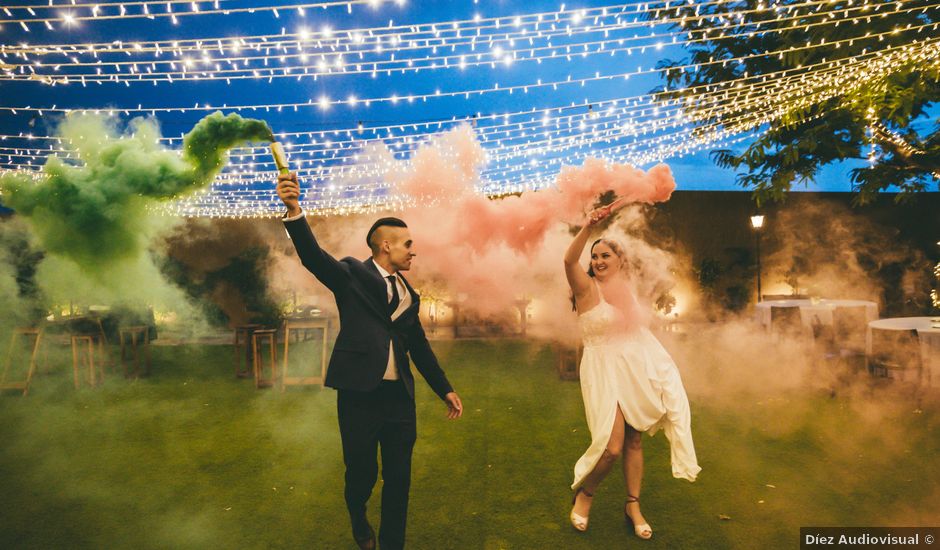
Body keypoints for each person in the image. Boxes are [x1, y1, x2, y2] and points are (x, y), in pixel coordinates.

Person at [276, 172, 464, 550]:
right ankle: (358, 517)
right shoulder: (351, 276)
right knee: (362, 474)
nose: (413, 251)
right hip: (359, 396)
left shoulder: (410, 295)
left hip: (399, 401)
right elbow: (313, 257)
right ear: (384, 246)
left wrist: (444, 388)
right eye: (407, 244)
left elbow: (420, 348)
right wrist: (295, 211)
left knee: (399, 479)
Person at [563, 203, 700, 539]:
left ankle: (633, 504)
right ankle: (586, 494)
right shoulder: (586, 288)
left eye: (605, 256)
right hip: (600, 369)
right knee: (611, 447)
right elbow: (569, 261)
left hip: (631, 368)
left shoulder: (626, 294)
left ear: (620, 261)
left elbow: (640, 334)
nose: (597, 261)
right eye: (595, 256)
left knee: (635, 439)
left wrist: (659, 369)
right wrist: (588, 227)